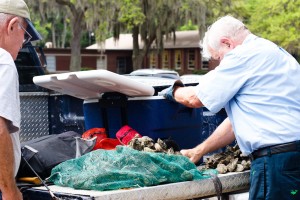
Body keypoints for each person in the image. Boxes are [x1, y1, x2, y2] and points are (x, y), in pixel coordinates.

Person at [161, 15, 300, 199]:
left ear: (227, 43)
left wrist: (172, 90)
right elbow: (235, 123)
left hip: (276, 164)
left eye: (218, 58)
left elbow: (195, 98)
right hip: (292, 159)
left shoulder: (242, 55)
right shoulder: (275, 53)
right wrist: (199, 151)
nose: (220, 63)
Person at [0, 0, 42, 199]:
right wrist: (9, 190)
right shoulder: (3, 60)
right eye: (24, 36)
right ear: (11, 25)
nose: (23, 44)